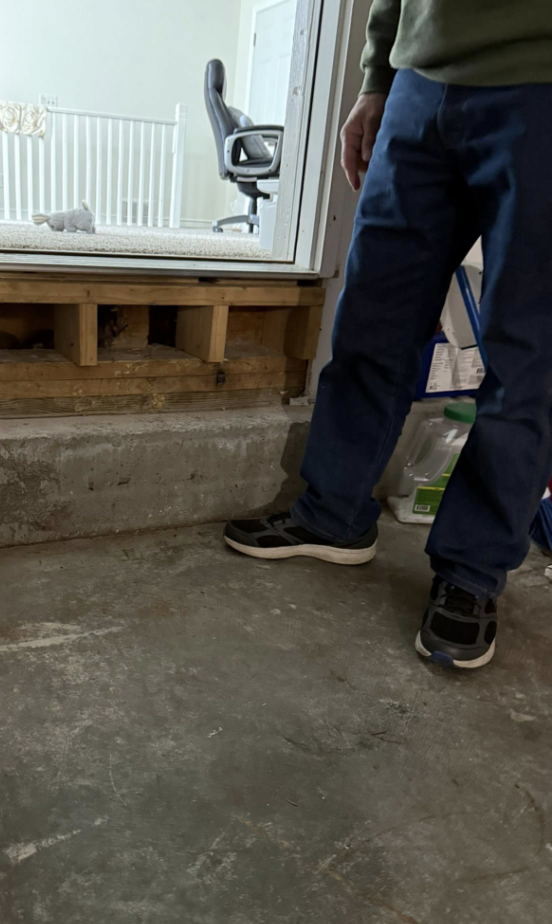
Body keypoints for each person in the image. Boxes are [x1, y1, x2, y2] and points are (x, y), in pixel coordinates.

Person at [224, 0, 552, 670]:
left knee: (527, 358)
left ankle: (472, 571)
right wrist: (377, 75)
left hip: (541, 81)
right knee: (373, 319)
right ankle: (332, 514)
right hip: (419, 79)